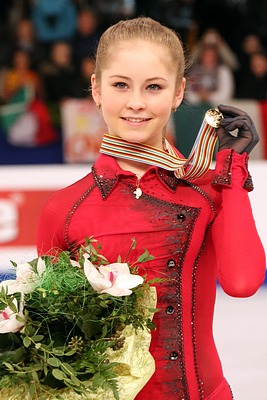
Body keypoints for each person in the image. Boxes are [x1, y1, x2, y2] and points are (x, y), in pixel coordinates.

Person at [36, 17, 266, 400]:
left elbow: (242, 284)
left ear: (178, 94)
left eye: (154, 87)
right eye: (121, 85)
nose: (136, 102)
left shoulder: (207, 190)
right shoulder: (63, 209)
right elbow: (52, 343)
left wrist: (232, 170)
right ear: (96, 89)